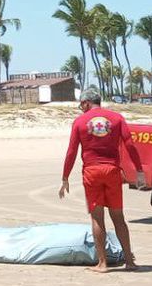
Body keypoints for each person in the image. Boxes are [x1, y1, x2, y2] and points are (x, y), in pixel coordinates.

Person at [60, 91, 146, 272]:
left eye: (81, 105)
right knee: (118, 218)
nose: (81, 109)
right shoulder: (117, 118)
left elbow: (71, 151)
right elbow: (129, 145)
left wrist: (65, 177)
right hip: (112, 171)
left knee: (97, 218)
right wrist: (139, 170)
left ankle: (103, 263)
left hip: (92, 172)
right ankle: (129, 261)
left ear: (86, 103)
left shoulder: (80, 122)